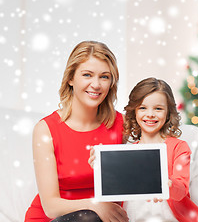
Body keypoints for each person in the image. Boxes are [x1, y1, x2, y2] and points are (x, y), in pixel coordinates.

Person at [24, 41, 129, 222]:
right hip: (56, 219)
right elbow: (50, 206)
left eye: (104, 77)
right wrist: (94, 205)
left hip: (103, 219)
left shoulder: (122, 124)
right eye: (87, 75)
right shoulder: (46, 129)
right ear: (71, 78)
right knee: (88, 218)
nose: (96, 84)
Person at [89, 77, 198, 222]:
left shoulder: (179, 147)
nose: (150, 114)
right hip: (133, 217)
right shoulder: (128, 151)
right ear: (134, 111)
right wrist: (103, 167)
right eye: (143, 108)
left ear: (168, 112)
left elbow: (181, 189)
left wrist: (168, 184)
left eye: (158, 108)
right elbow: (117, 189)